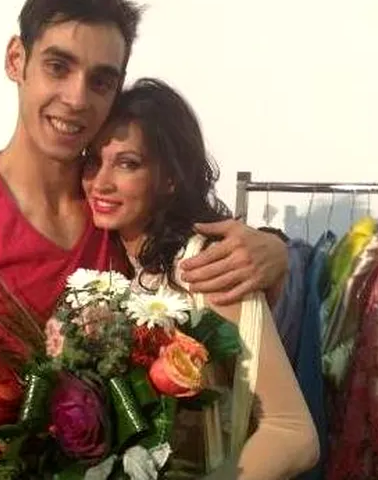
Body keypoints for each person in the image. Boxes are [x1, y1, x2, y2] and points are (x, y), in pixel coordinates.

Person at [0, 0, 288, 478]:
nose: (76, 98)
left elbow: (199, 252)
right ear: (16, 60)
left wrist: (275, 252)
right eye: (58, 66)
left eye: (100, 81)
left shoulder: (118, 210)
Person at [81, 78, 320, 479]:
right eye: (93, 161)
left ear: (170, 178)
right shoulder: (109, 259)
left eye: (127, 163)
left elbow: (293, 433)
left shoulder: (206, 266)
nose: (100, 182)